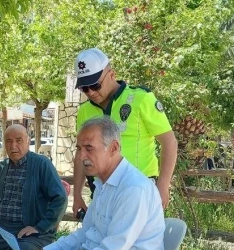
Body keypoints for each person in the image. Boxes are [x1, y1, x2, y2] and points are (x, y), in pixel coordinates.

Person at [15, 118, 165, 250]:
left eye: (89, 148)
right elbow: (85, 233)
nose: (82, 157)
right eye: (79, 149)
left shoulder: (133, 189)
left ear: (113, 148)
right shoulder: (104, 184)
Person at [71, 48, 177, 216]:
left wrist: (163, 186)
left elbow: (169, 142)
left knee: (133, 241)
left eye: (95, 85)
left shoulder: (141, 99)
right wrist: (77, 194)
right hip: (101, 191)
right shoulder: (85, 111)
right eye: (84, 88)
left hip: (138, 191)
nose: (90, 92)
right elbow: (81, 154)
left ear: (111, 74)